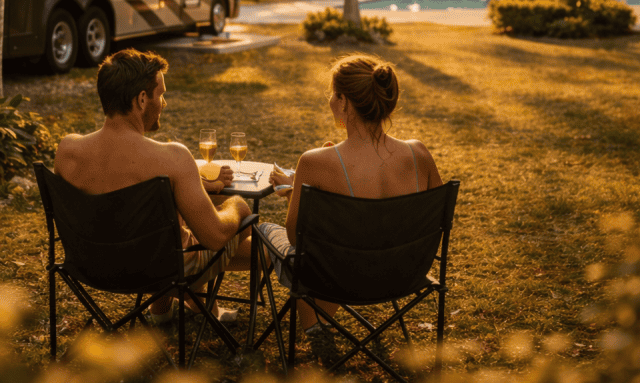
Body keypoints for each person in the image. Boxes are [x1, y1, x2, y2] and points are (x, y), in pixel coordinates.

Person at [54, 48, 251, 322]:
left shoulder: (67, 150)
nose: (164, 103)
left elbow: (115, 200)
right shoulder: (172, 157)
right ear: (142, 99)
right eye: (161, 95)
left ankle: (162, 313)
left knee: (174, 215)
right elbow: (215, 237)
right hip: (161, 271)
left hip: (90, 266)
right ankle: (204, 309)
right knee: (243, 224)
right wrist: (237, 206)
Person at [261, 53, 443, 336]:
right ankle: (316, 324)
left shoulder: (314, 162)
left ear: (344, 102)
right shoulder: (418, 153)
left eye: (333, 94)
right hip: (406, 274)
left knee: (264, 229)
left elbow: (299, 239)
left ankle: (313, 326)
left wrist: (294, 193)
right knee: (336, 250)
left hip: (339, 278)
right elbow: (436, 222)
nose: (330, 100)